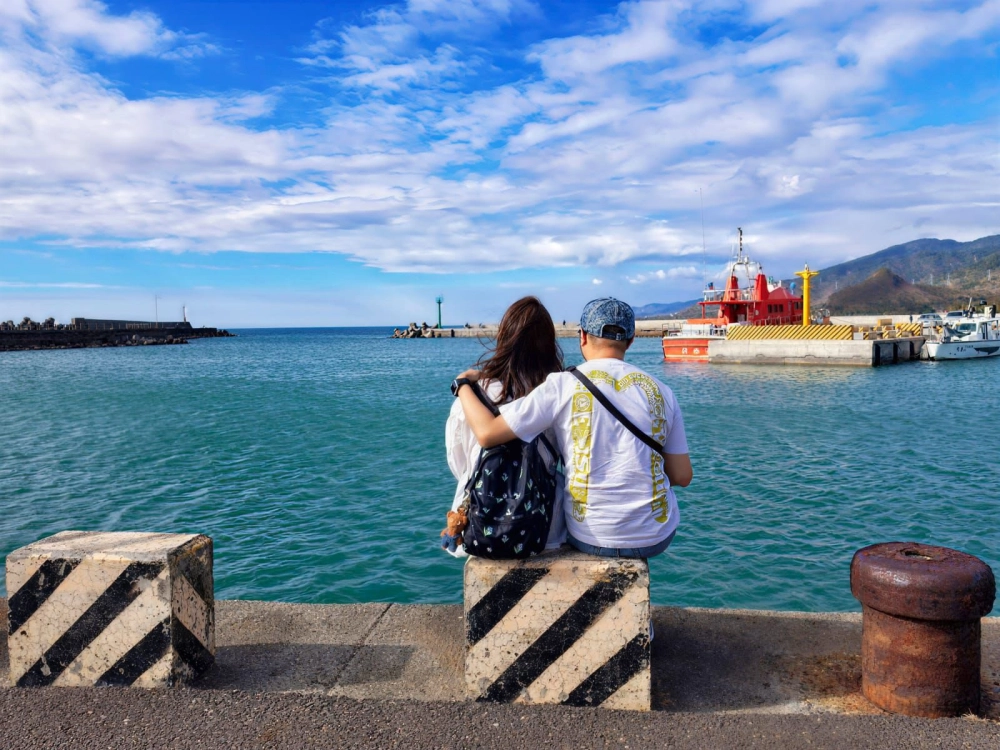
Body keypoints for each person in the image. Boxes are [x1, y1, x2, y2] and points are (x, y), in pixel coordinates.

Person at [453, 298, 692, 558]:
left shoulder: (562, 385)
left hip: (590, 537)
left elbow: (488, 434)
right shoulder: (663, 392)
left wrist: (463, 384)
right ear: (631, 341)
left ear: (583, 337)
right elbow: (682, 477)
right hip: (655, 537)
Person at [444, 296, 567, 557]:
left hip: (480, 523)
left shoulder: (473, 396)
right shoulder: (557, 393)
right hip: (544, 528)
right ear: (549, 345)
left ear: (504, 338)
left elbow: (460, 464)